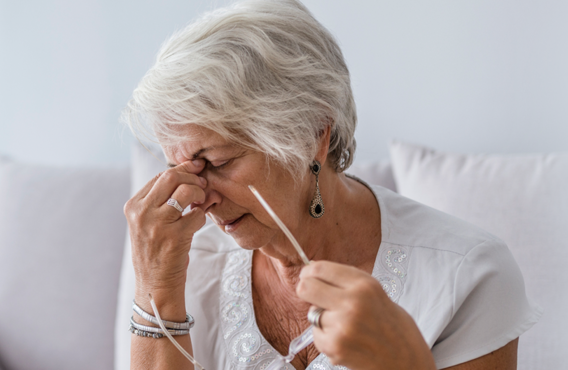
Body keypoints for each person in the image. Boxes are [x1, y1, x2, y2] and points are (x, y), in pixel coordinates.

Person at [122, 0, 541, 369]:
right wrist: (155, 291)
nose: (200, 201)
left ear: (313, 135)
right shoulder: (184, 260)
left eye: (218, 162)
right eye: (180, 170)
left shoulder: (465, 276)